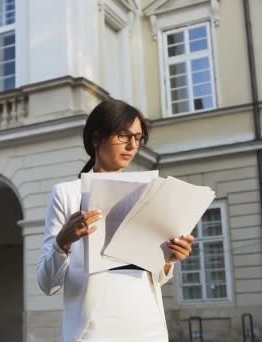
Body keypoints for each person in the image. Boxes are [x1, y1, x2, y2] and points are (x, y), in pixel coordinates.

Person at [37, 99, 195, 342]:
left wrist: (169, 258)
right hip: (92, 331)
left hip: (148, 327)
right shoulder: (68, 194)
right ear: (96, 138)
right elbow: (47, 283)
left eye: (138, 138)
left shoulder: (150, 192)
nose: (132, 145)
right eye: (123, 135)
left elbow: (156, 277)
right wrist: (63, 242)